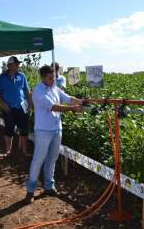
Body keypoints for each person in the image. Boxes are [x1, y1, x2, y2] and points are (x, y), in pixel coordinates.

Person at [25, 65, 83, 203]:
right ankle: (30, 191)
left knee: (52, 159)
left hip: (57, 129)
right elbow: (53, 106)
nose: (53, 80)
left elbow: (68, 98)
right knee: (38, 160)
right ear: (43, 77)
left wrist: (82, 101)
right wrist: (73, 109)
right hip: (43, 130)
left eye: (54, 77)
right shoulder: (38, 91)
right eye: (50, 78)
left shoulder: (54, 87)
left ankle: (49, 186)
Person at [0, 56, 32, 157]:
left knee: (24, 130)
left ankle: (24, 150)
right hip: (8, 108)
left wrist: (30, 104)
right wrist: (2, 103)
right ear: (9, 65)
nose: (18, 66)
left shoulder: (21, 76)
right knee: (9, 129)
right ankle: (8, 150)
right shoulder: (2, 77)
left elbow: (27, 91)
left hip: (22, 107)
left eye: (18, 64)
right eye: (16, 64)